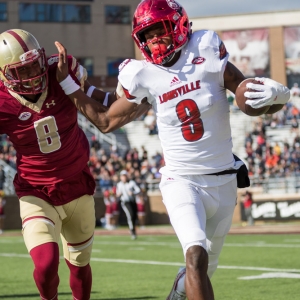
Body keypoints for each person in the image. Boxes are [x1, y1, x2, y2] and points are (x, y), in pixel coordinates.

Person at [54, 0, 290, 299]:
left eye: (159, 30)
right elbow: (106, 118)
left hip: (224, 179)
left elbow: (249, 98)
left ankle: (179, 292)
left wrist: (279, 95)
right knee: (195, 256)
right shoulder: (142, 74)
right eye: (147, 34)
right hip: (181, 180)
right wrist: (68, 84)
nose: (154, 39)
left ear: (178, 25)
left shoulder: (205, 48)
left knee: (206, 266)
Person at [0, 28, 121, 300]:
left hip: (77, 184)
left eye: (35, 64)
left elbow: (97, 98)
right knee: (45, 266)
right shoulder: (2, 100)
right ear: (5, 74)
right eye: (22, 70)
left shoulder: (61, 70)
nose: (32, 74)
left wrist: (125, 97)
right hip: (36, 191)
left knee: (79, 266)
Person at [116, 170, 141, 239]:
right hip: (125, 202)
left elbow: (138, 190)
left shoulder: (131, 183)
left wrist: (132, 193)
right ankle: (132, 230)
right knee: (130, 215)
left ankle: (133, 229)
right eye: (122, 176)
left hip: (132, 202)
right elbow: (117, 194)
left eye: (125, 176)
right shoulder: (119, 184)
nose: (124, 178)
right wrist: (118, 194)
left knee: (134, 216)